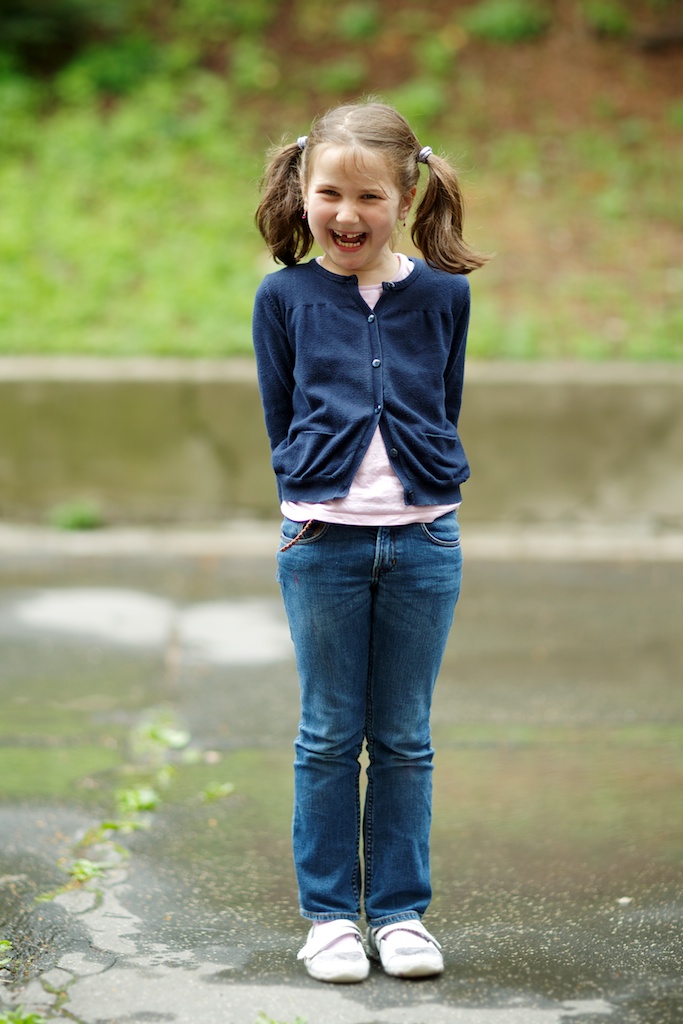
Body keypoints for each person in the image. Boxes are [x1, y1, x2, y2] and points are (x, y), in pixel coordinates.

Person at [252, 100, 487, 984]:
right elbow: (281, 412)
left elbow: (442, 401)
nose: (346, 214)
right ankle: (328, 919)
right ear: (302, 191)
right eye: (329, 194)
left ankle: (397, 913)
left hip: (423, 543)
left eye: (368, 197)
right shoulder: (283, 297)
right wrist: (313, 488)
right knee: (326, 734)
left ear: (405, 197)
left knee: (403, 737)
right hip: (322, 543)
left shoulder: (444, 296)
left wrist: (415, 486)